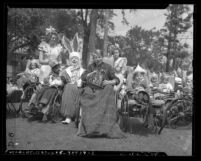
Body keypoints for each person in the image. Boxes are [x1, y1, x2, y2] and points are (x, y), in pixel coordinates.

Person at [77, 49, 125, 138]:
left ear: (102, 57)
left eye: (99, 57)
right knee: (86, 90)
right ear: (93, 59)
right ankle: (90, 127)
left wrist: (110, 82)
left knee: (109, 88)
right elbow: (83, 76)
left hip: (103, 91)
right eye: (95, 58)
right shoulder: (90, 66)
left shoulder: (108, 67)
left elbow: (116, 79)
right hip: (92, 89)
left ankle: (105, 127)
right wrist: (90, 74)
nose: (97, 59)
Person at [60, 52, 85, 124]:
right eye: (72, 59)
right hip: (69, 86)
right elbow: (63, 80)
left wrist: (81, 81)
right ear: (70, 60)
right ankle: (68, 117)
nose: (74, 60)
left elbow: (84, 79)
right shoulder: (66, 70)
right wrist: (63, 78)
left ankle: (78, 115)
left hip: (79, 87)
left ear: (79, 60)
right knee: (68, 87)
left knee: (73, 88)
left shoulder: (83, 71)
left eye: (76, 59)